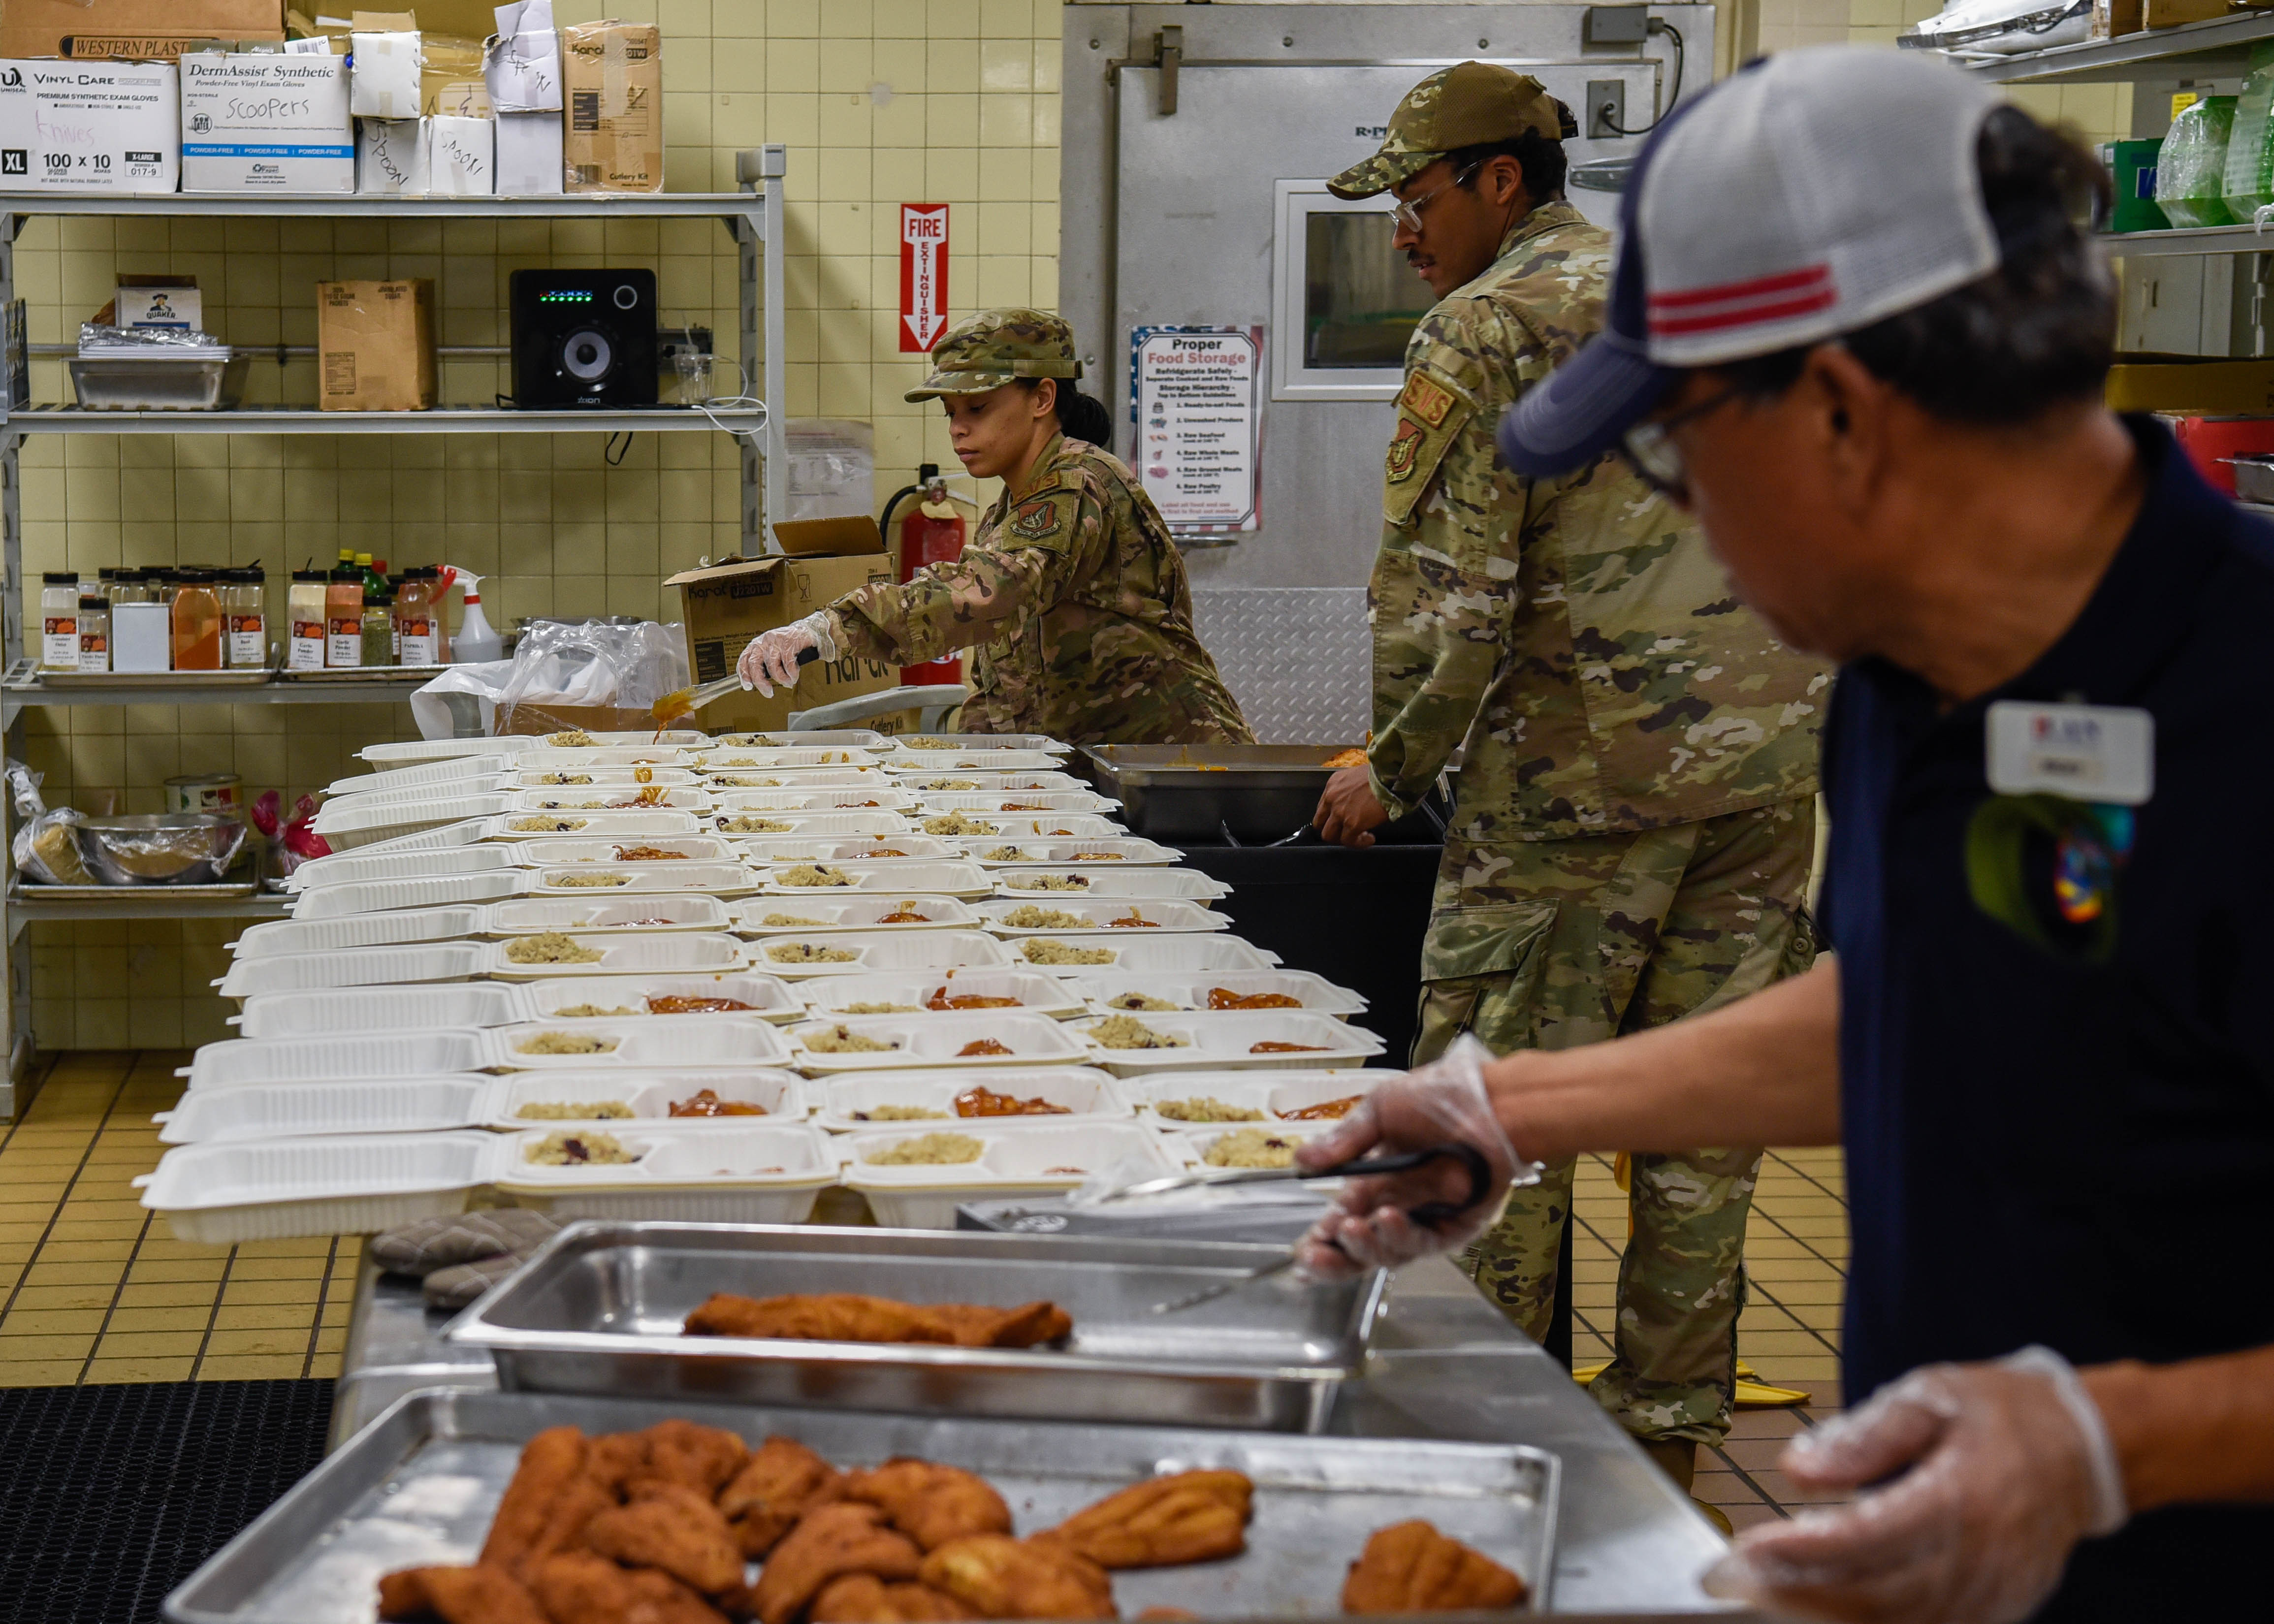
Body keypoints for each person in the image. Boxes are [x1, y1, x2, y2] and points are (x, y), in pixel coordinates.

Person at [1295, 45, 2274, 1624]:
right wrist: (1515, 1101)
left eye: (1678, 454)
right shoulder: (1910, 676)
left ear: (1838, 415)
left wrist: (2110, 1440)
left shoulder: (2244, 711)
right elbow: (1951, 994)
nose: (1680, 522)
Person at [1308, 59, 1826, 1514]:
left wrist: (1388, 761)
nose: (1403, 235)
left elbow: (1454, 599)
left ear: (1496, 182)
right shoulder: (1696, 295)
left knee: (1504, 1114)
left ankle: (1491, 1432)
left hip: (1573, 787)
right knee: (1699, 1120)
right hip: (1765, 769)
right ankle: (1664, 1434)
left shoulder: (1485, 326)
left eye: (1415, 203)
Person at [738, 308, 1252, 746]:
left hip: (1174, 768)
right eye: (950, 411)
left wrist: (831, 627)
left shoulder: (1076, 486)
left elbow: (988, 593)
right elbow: (1005, 679)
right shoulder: (1012, 508)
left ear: (1042, 399)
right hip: (1100, 772)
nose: (958, 428)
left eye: (978, 408)